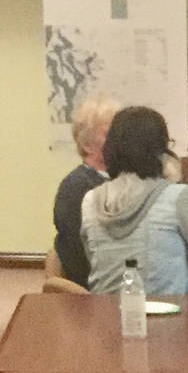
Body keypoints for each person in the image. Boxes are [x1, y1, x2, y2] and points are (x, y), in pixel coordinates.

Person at [80, 106, 188, 295]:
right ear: (161, 151)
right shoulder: (178, 198)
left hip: (105, 320)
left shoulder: (90, 202)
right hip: (165, 319)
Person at [51, 94, 117, 286]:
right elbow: (81, 255)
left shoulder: (117, 180)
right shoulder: (76, 188)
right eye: (109, 134)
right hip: (92, 290)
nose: (119, 140)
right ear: (87, 145)